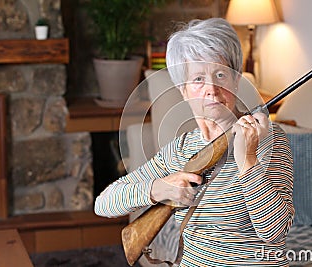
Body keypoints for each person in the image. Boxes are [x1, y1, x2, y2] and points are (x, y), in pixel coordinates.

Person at [95, 18, 294, 266]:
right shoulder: (180, 150)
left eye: (220, 74)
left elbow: (275, 232)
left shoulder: (268, 139)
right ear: (183, 90)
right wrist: (161, 189)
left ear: (236, 80)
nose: (211, 89)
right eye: (198, 79)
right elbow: (103, 204)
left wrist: (248, 163)